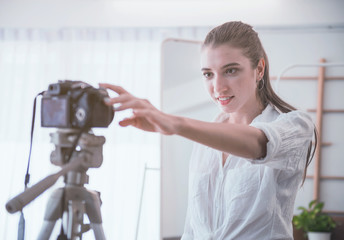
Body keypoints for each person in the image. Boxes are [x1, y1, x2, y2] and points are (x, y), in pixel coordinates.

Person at [99, 21, 316, 240]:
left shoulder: (296, 125)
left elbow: (259, 144)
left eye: (230, 71)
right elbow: (193, 227)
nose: (218, 86)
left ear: (259, 69)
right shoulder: (207, 138)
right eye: (208, 74)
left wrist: (176, 124)